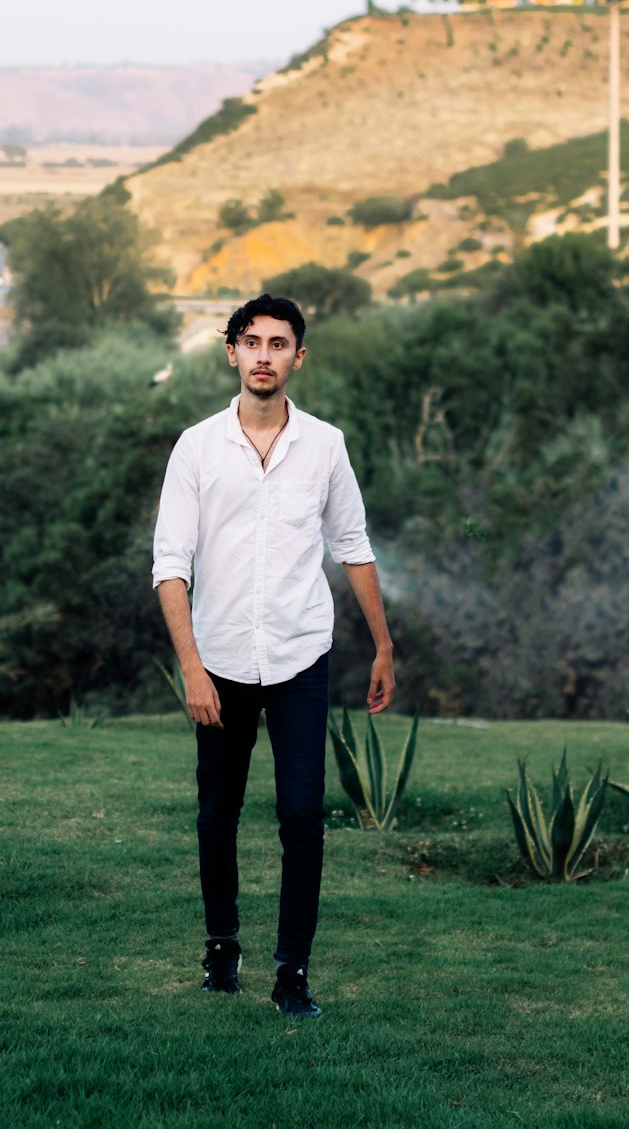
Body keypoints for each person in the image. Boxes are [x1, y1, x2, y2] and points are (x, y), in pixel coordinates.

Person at [152, 292, 394, 1018]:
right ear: (231, 351)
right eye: (251, 342)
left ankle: (292, 974)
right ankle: (221, 949)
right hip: (220, 659)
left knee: (301, 818)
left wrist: (383, 645)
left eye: (278, 344)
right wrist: (192, 667)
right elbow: (171, 563)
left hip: (298, 657)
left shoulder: (325, 445)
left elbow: (352, 547)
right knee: (216, 814)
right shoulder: (197, 447)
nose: (264, 355)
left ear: (298, 357)